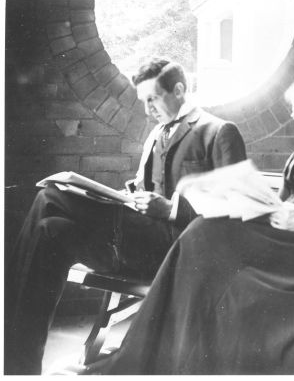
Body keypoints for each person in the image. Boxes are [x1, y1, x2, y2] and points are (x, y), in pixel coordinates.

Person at [90, 67, 294, 375]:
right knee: (204, 232)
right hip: (292, 241)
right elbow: (278, 203)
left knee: (206, 237)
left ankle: (158, 358)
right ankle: (165, 357)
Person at [4, 58, 247, 375]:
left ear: (179, 90)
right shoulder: (156, 134)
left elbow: (240, 207)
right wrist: (124, 196)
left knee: (51, 196)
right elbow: (143, 189)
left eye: (152, 99)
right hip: (137, 243)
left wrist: (172, 208)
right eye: (143, 101)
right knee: (51, 228)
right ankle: (18, 364)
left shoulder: (218, 132)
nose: (147, 110)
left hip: (179, 253)